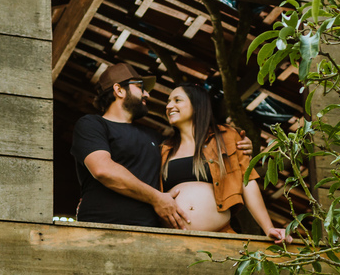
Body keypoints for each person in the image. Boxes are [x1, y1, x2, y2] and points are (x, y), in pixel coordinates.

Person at [160, 84, 292, 244]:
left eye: (177, 100)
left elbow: (247, 182)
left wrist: (268, 228)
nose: (169, 106)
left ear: (197, 105)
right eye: (168, 101)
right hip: (170, 240)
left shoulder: (227, 137)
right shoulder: (163, 150)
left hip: (220, 238)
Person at [71, 63, 190, 228]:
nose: (147, 94)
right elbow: (103, 170)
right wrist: (157, 198)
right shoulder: (92, 125)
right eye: (140, 87)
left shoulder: (154, 136)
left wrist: (237, 142)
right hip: (100, 228)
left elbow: (194, 149)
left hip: (151, 232)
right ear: (119, 90)